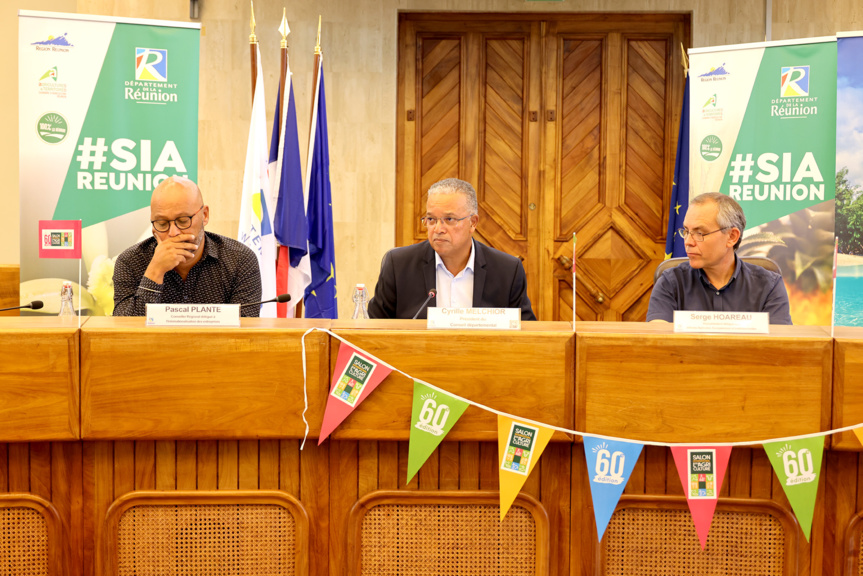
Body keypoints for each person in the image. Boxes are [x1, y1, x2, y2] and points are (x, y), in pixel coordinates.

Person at [368, 178, 536, 320]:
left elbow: (526, 333)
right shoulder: (399, 265)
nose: (438, 229)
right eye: (431, 219)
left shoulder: (507, 270)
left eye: (449, 219)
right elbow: (374, 327)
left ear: (473, 223)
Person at [113, 176, 262, 316]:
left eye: (183, 221)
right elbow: (123, 331)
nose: (173, 233)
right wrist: (155, 271)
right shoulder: (130, 262)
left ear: (204, 215)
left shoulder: (240, 260)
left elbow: (245, 333)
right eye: (162, 224)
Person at [647, 192, 792, 324]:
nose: (688, 242)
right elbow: (657, 343)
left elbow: (780, 347)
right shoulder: (670, 282)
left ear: (732, 236)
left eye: (700, 233)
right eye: (686, 231)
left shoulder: (769, 286)